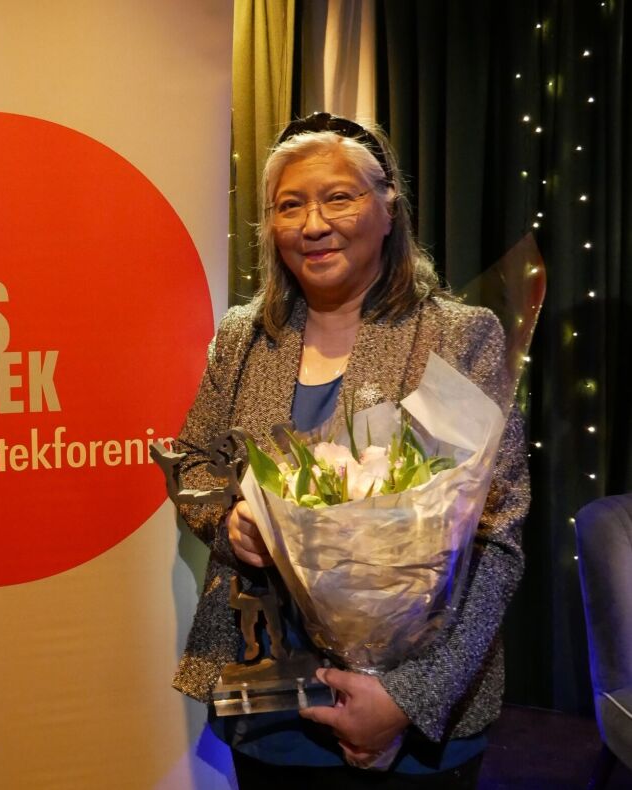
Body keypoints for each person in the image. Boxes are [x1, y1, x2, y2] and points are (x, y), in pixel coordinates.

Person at [171, 112, 529, 788]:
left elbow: (495, 541)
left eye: (338, 196)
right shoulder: (242, 337)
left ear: (388, 209)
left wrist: (406, 699)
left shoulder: (459, 338)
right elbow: (194, 462)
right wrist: (227, 522)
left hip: (415, 715)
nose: (312, 224)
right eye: (289, 205)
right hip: (271, 708)